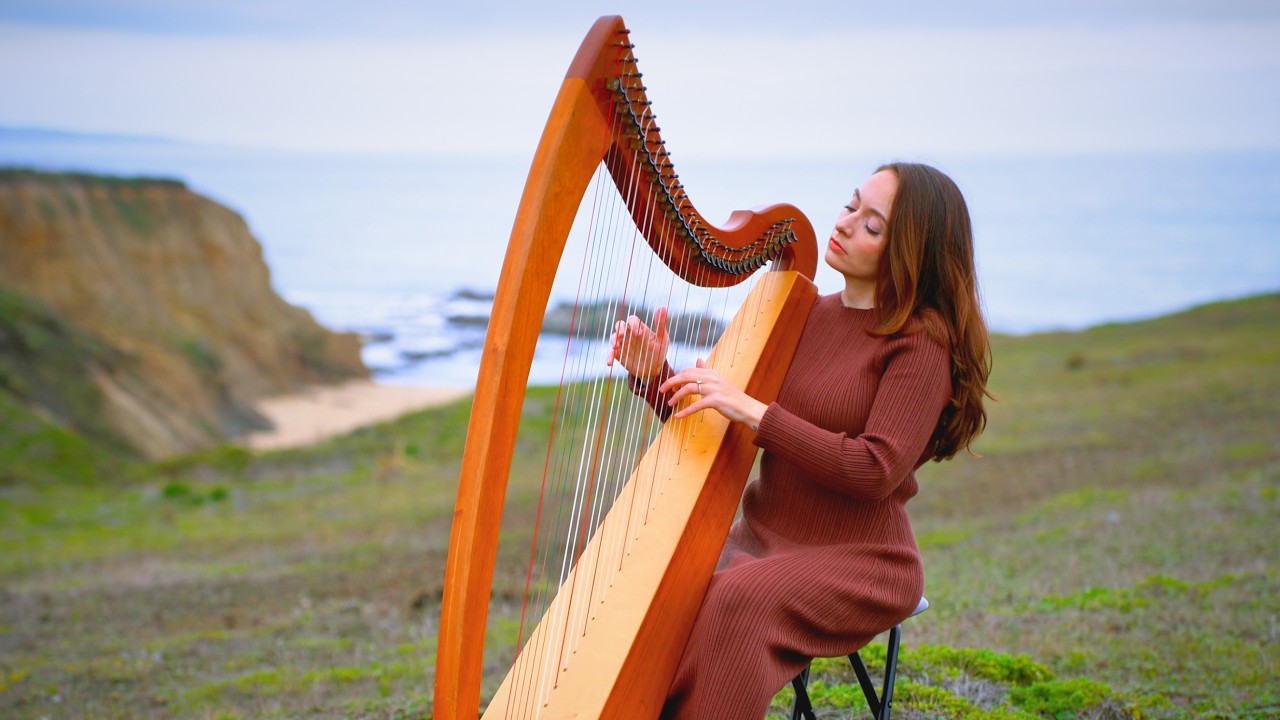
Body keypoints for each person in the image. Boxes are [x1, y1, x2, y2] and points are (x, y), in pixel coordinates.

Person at [607, 162, 992, 719]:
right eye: (851, 204)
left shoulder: (920, 343)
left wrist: (757, 412)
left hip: (861, 561)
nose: (845, 223)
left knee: (736, 602)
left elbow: (874, 469)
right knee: (659, 588)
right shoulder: (799, 313)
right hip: (761, 538)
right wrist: (652, 374)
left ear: (911, 253)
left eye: (872, 225)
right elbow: (720, 420)